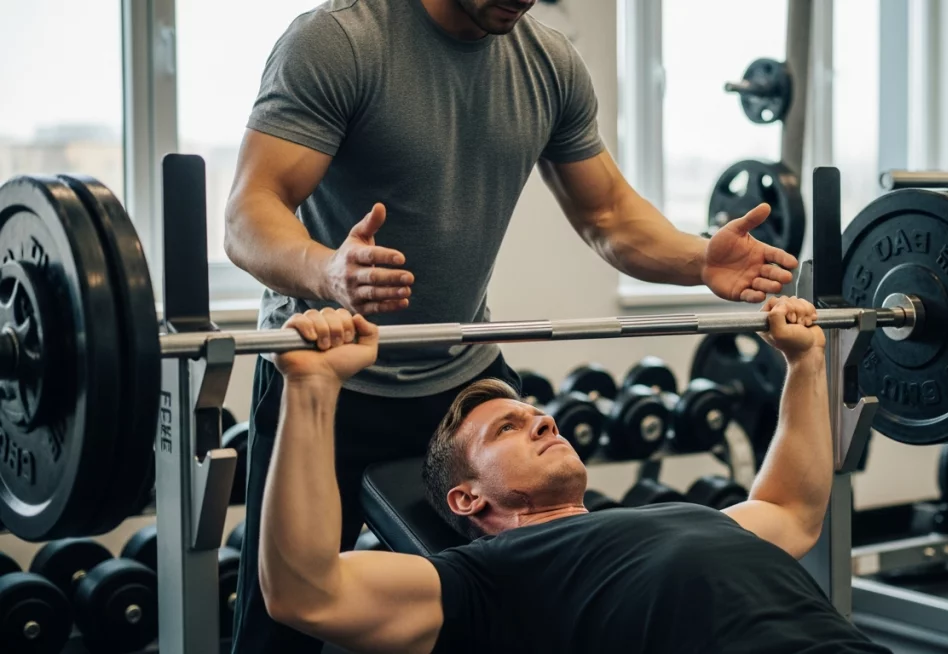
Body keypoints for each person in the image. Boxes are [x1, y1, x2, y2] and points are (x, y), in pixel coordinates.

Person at [224, 0, 800, 650]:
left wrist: (699, 258)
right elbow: (250, 211)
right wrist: (326, 270)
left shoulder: (547, 63)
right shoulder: (338, 41)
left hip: (464, 384)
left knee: (501, 618)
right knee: (286, 626)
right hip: (328, 375)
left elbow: (607, 215)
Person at [258, 297, 891, 654]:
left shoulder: (676, 518)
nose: (544, 424)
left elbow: (791, 509)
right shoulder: (486, 579)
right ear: (466, 496)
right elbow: (306, 592)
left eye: (538, 416)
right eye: (507, 428)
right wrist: (312, 389)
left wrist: (804, 363)